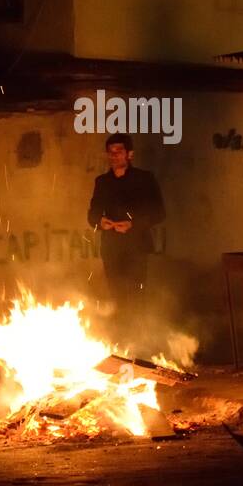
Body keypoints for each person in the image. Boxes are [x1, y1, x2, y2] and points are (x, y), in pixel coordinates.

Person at [86, 134, 165, 335]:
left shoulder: (144, 179)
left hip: (137, 246)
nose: (114, 156)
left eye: (119, 151)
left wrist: (133, 224)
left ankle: (140, 338)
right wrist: (100, 222)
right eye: (110, 152)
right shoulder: (102, 182)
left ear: (130, 154)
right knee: (117, 295)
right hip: (112, 248)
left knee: (137, 293)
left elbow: (159, 213)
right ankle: (122, 338)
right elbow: (93, 213)